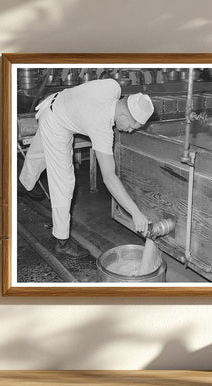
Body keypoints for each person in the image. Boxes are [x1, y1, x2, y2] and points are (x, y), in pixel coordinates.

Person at [19, 78, 154, 259]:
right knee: (64, 183)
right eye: (131, 127)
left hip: (54, 103)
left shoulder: (113, 87)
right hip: (57, 123)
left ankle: (23, 184)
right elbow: (109, 177)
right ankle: (62, 242)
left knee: (36, 155)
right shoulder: (101, 126)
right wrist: (135, 213)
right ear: (123, 116)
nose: (129, 131)